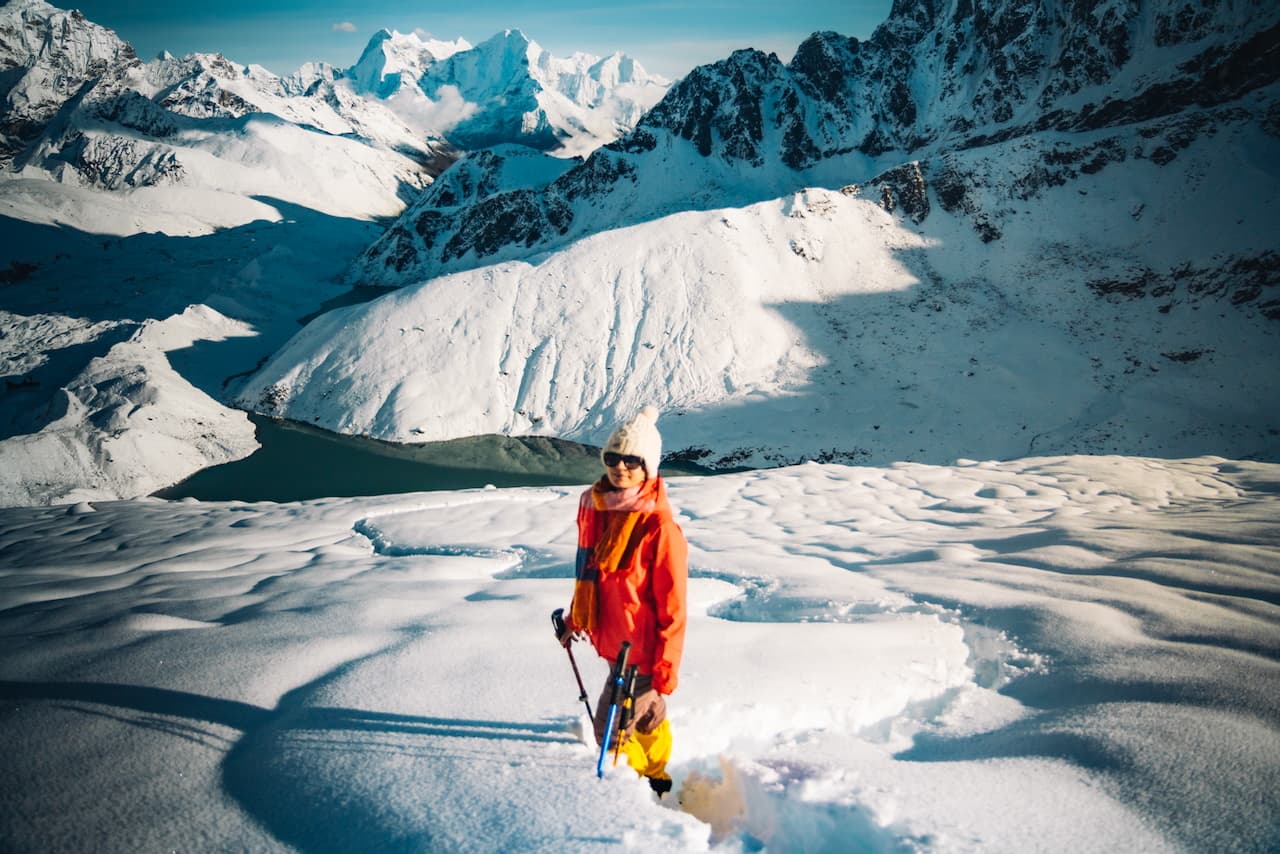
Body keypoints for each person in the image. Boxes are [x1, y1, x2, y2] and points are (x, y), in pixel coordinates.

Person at [558, 405, 688, 796]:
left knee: (609, 733)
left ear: (648, 467)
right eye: (613, 458)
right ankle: (658, 777)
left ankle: (626, 800)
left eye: (633, 460)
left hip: (642, 654)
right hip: (617, 645)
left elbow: (674, 609)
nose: (621, 467)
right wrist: (574, 621)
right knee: (646, 718)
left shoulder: (659, 528)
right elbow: (593, 579)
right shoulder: (600, 511)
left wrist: (663, 675)